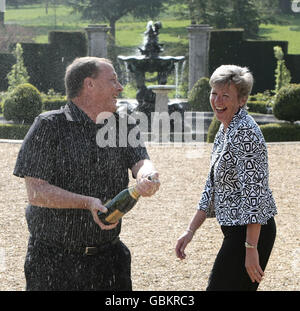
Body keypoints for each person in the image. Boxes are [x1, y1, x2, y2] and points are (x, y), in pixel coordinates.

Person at [13, 57, 160, 291]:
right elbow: (36, 192)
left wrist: (147, 175)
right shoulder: (48, 126)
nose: (120, 87)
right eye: (113, 80)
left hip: (110, 261)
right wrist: (87, 203)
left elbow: (141, 161)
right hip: (53, 263)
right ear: (89, 84)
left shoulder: (123, 125)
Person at [175, 65, 277, 291]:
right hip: (238, 231)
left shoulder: (246, 133)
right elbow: (212, 185)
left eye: (225, 95)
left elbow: (255, 195)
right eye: (214, 93)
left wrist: (251, 248)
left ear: (241, 100)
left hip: (251, 231)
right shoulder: (225, 128)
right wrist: (190, 231)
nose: (217, 100)